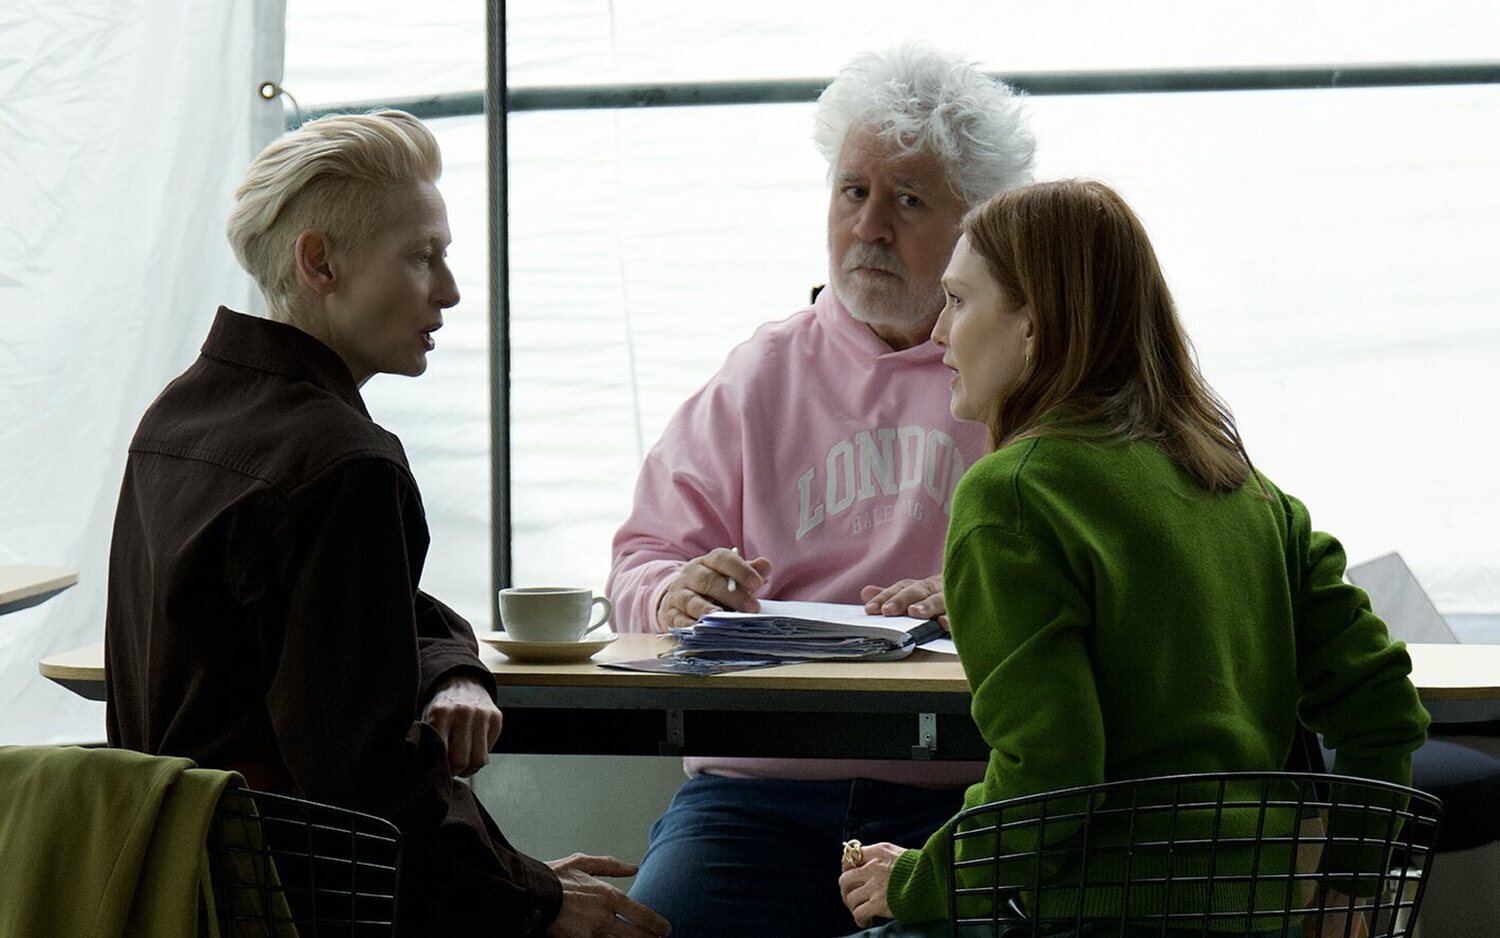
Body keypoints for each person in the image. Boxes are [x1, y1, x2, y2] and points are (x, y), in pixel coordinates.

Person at [105, 110, 669, 938]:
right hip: (299, 903)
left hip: (173, 882)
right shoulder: (344, 461)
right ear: (320, 260)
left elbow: (364, 617)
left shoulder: (179, 419)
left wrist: (450, 668)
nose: (449, 290)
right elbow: (365, 785)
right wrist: (530, 896)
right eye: (423, 257)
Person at [836, 179, 1431, 935]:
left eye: (958, 301)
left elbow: (1049, 772)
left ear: (1034, 326)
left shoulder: (1012, 497)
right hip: (1263, 914)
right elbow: (1381, 706)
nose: (936, 336)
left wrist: (921, 879)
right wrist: (1350, 887)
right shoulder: (1248, 491)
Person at [607, 46, 1035, 936]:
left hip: (961, 794)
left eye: (908, 200)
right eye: (852, 192)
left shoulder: (1026, 383)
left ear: (977, 224)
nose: (869, 226)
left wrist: (989, 602)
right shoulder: (758, 376)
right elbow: (638, 565)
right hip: (753, 799)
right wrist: (673, 593)